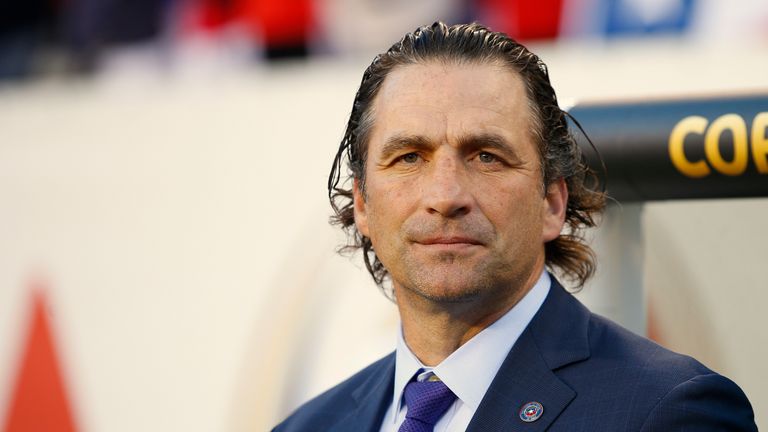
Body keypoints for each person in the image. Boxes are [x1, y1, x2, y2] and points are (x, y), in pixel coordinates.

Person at [273, 22, 757, 431]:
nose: (445, 196)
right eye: (409, 157)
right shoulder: (310, 425)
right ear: (361, 203)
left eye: (487, 156)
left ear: (552, 201)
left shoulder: (669, 412)